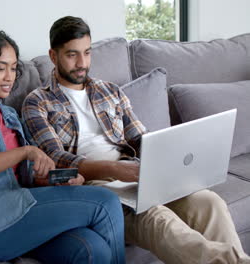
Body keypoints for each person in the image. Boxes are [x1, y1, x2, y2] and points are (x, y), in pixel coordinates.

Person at [22, 16, 250, 264]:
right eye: (71, 55)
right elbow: (57, 160)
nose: (82, 63)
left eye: (87, 53)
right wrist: (117, 169)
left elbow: (142, 139)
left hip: (136, 174)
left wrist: (166, 160)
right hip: (93, 185)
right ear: (53, 56)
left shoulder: (110, 91)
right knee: (157, 218)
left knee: (209, 202)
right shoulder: (37, 102)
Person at [0, 29, 126, 264]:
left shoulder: (10, 115)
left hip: (21, 211)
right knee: (105, 201)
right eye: (0, 67)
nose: (9, 77)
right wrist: (24, 151)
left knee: (93, 249)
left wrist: (60, 180)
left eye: (13, 68)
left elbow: (27, 178)